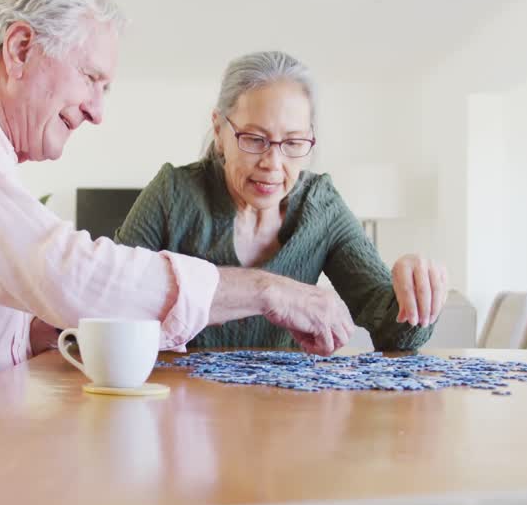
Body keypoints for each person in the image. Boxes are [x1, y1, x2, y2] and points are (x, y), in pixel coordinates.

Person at [0, 0, 354, 413]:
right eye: (92, 79)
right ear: (21, 48)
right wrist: (267, 290)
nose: (98, 111)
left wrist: (41, 332)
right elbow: (68, 273)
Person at [115, 50, 448, 351]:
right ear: (219, 131)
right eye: (255, 139)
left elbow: (392, 331)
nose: (273, 164)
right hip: (180, 407)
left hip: (285, 411)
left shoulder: (322, 207)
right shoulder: (173, 193)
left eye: (293, 143)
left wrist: (415, 297)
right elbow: (112, 299)